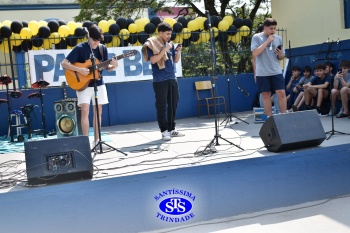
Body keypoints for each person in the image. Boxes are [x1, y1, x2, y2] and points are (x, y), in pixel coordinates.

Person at [61, 25, 118, 148]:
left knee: (99, 111)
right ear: (89, 38)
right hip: (83, 85)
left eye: (99, 40)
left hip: (98, 83)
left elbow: (107, 68)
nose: (97, 43)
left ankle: (97, 141)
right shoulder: (80, 48)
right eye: (94, 40)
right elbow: (64, 63)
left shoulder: (102, 49)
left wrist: (114, 66)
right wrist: (80, 70)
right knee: (85, 111)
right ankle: (85, 142)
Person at [142, 22, 184, 141]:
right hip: (160, 80)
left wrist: (179, 51)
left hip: (172, 77)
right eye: (167, 34)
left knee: (173, 103)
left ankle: (172, 129)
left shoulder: (170, 44)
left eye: (170, 34)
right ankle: (164, 130)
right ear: (160, 33)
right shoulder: (152, 44)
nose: (169, 36)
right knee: (162, 106)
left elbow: (175, 61)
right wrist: (164, 50)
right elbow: (154, 60)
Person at [251, 18, 287, 117]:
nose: (273, 31)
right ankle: (269, 118)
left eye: (275, 28)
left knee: (281, 93)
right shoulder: (257, 37)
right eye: (271, 28)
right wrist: (267, 41)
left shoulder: (278, 38)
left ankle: (284, 116)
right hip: (262, 72)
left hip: (276, 70)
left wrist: (280, 54)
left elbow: (281, 57)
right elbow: (255, 53)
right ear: (265, 28)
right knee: (266, 95)